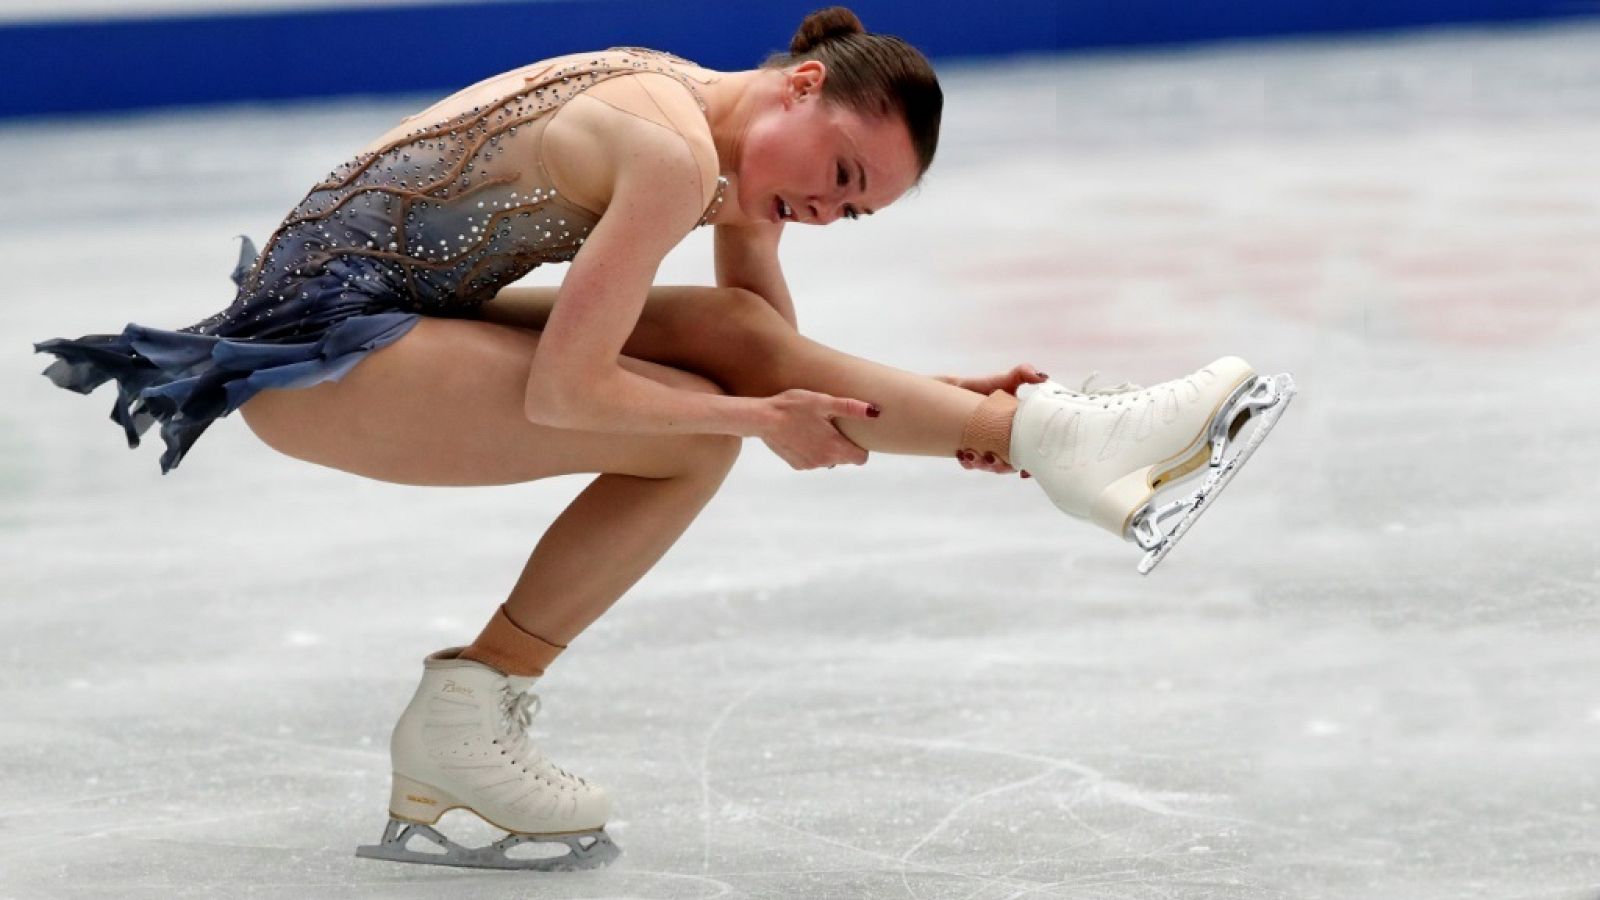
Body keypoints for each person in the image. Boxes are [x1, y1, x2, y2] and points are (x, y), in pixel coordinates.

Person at [32, 7, 1292, 871]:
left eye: (857, 212)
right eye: (845, 173)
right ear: (807, 85)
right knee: (690, 440)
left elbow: (755, 335)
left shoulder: (700, 112)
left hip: (382, 318)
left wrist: (924, 401)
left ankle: (1046, 438)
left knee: (718, 383)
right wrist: (758, 420)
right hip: (315, 364)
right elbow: (572, 394)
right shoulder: (668, 153)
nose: (828, 207)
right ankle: (467, 719)